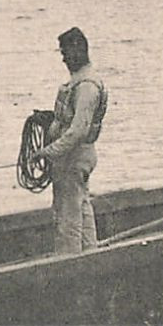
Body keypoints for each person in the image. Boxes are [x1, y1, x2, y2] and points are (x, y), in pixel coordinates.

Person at [35, 28, 109, 255]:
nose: (64, 58)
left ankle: (68, 267)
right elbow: (73, 122)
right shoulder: (83, 81)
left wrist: (47, 152)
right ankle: (89, 255)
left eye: (66, 52)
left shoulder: (86, 86)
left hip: (73, 158)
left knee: (67, 217)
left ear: (79, 49)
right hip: (77, 157)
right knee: (81, 208)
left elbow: (78, 131)